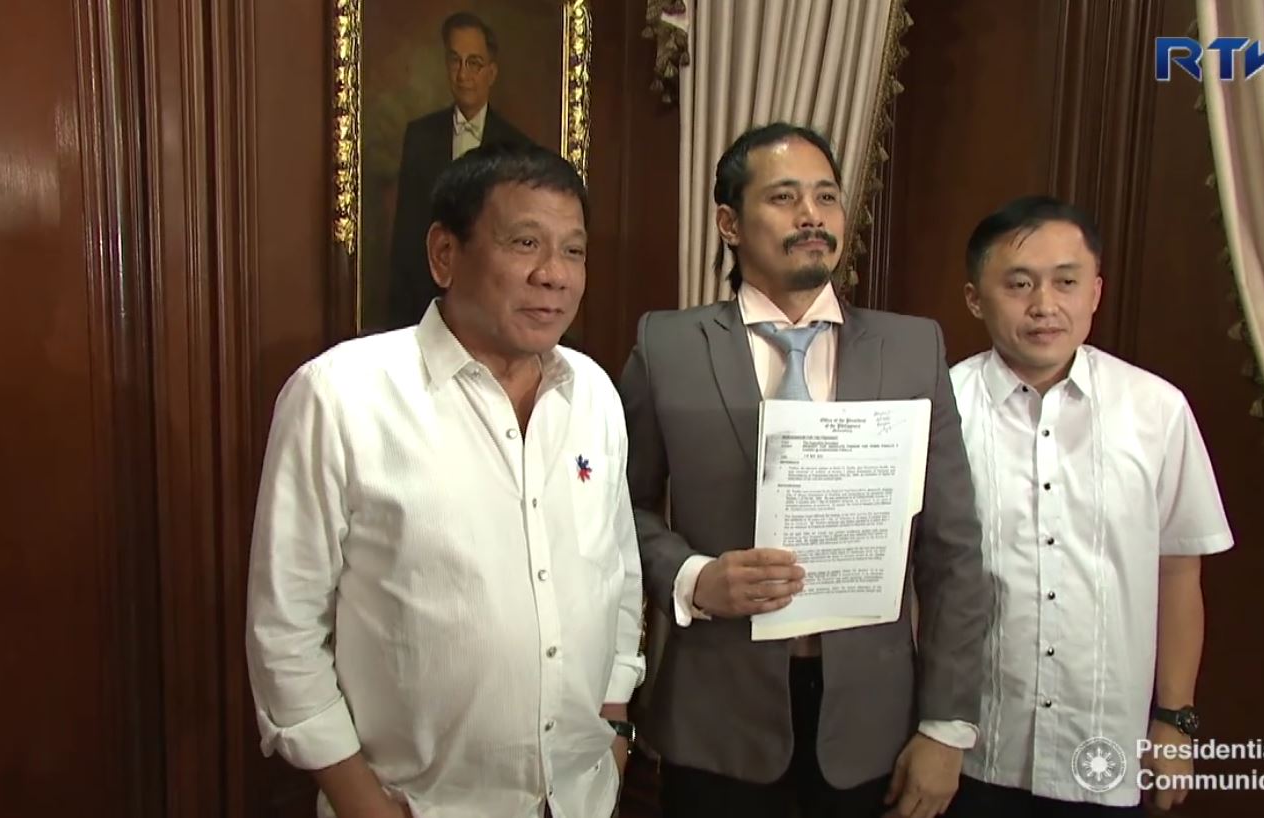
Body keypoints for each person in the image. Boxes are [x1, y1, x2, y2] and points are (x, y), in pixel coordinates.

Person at [247, 142, 644, 818]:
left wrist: (613, 732)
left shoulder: (595, 393)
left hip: (582, 798)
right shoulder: (340, 395)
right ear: (444, 254)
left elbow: (619, 574)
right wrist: (361, 805)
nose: (554, 275)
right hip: (416, 805)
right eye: (526, 243)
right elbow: (285, 632)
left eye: (573, 251)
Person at [621, 122, 989, 818]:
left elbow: (953, 549)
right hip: (715, 717)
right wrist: (696, 577)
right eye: (785, 198)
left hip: (872, 722)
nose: (812, 216)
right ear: (729, 222)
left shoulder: (912, 349)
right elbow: (619, 509)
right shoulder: (666, 345)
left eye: (826, 197)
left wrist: (946, 726)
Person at [945, 195, 1234, 816]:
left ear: (1095, 292)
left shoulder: (1156, 410)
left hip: (1103, 746)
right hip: (970, 746)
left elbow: (1179, 571)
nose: (1045, 306)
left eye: (1066, 282)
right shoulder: (942, 409)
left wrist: (1175, 720)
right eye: (1019, 284)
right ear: (976, 299)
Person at [388, 11, 532, 329]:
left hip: (491, 305)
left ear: (491, 73)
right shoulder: (420, 136)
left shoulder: (516, 146)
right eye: (455, 61)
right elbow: (406, 230)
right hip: (423, 304)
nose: (463, 74)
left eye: (474, 63)